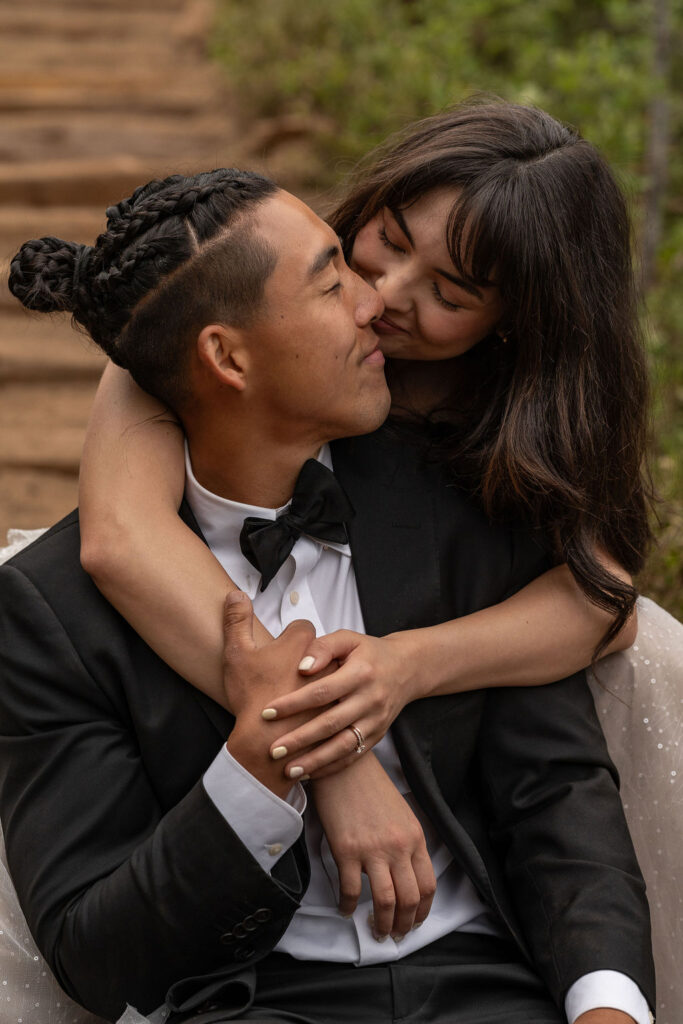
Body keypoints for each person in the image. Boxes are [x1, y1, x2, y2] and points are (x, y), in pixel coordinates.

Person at [0, 167, 653, 1024]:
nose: (373, 303)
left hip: (487, 981)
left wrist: (605, 1004)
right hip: (251, 995)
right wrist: (275, 763)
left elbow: (554, 795)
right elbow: (96, 952)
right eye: (340, 271)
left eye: (450, 291)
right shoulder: (52, 612)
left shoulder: (468, 506)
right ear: (226, 356)